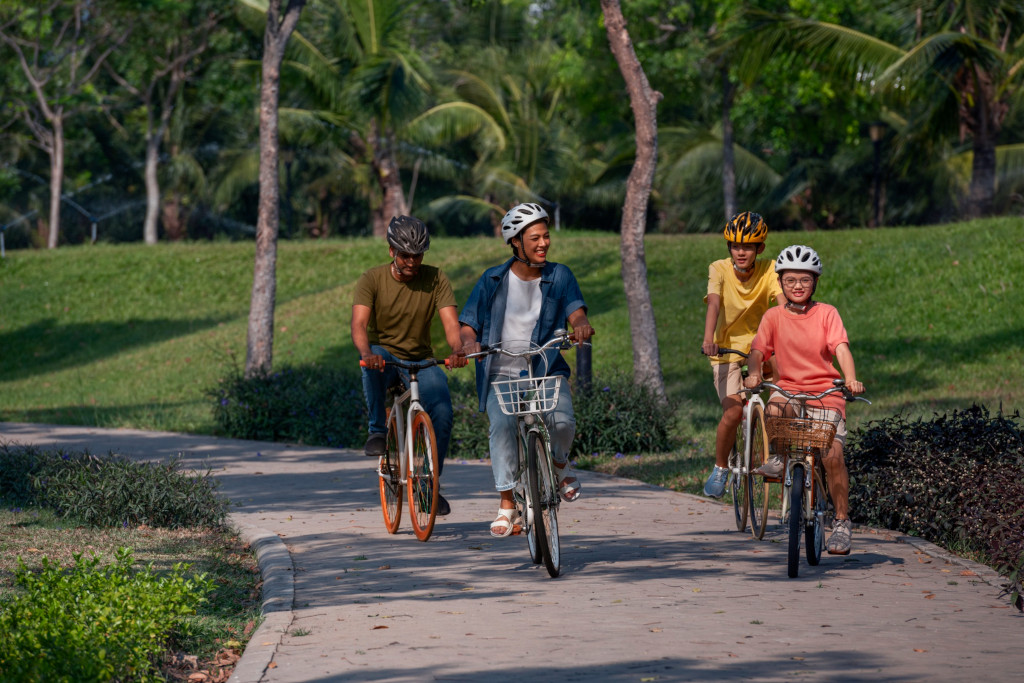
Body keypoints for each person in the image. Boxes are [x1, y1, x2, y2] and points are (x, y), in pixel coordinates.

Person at [458, 202, 594, 538]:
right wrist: (468, 343)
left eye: (546, 236)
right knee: (502, 426)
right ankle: (507, 502)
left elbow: (575, 311)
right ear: (516, 243)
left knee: (562, 422)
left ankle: (560, 465)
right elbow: (468, 323)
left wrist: (581, 325)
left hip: (546, 367)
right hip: (501, 373)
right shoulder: (492, 280)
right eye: (535, 238)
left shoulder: (559, 275)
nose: (543, 243)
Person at [742, 244, 865, 555]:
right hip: (789, 389)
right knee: (775, 405)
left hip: (825, 391)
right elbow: (758, 351)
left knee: (832, 456)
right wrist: (755, 374)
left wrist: (850, 378)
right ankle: (779, 457)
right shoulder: (773, 316)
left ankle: (840, 522)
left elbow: (840, 348)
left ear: (815, 283)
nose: (797, 286)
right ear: (781, 282)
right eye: (790, 280)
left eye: (805, 280)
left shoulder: (827, 313)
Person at [351, 215, 467, 516]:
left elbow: (452, 325)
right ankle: (377, 429)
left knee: (441, 410)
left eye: (418, 255)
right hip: (384, 355)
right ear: (391, 251)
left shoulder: (436, 278)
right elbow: (359, 325)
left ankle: (430, 483)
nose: (412, 262)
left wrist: (457, 349)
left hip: (420, 358)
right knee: (371, 361)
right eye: (405, 255)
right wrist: (367, 352)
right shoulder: (371, 279)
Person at [701, 211, 785, 499]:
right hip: (727, 351)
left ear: (759, 248)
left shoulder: (771, 269)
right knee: (734, 410)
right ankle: (720, 467)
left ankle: (776, 455)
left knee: (784, 395)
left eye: (748, 247)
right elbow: (714, 303)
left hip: (762, 349)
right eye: (736, 246)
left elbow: (783, 304)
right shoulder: (719, 269)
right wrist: (709, 339)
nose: (741, 252)